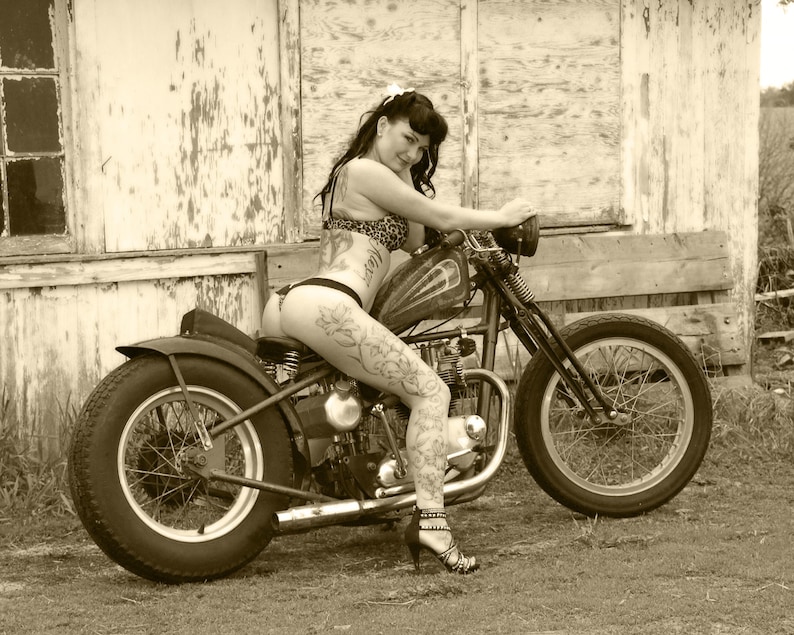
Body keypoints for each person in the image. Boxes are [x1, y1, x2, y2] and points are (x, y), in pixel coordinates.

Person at [261, 84, 536, 574]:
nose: (412, 152)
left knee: (349, 398)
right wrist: (503, 217)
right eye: (407, 138)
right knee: (430, 392)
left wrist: (408, 164)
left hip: (304, 301)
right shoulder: (362, 171)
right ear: (381, 124)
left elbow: (412, 237)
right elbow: (437, 215)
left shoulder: (379, 178)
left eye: (422, 149)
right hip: (329, 303)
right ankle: (432, 522)